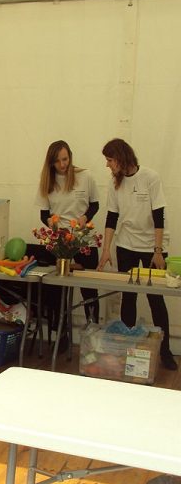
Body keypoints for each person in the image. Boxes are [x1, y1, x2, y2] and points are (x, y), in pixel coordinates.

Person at [97, 138, 176, 371]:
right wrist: (106, 250)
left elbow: (159, 216)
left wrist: (158, 251)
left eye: (109, 160)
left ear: (121, 158)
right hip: (127, 244)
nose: (107, 165)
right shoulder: (114, 183)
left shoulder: (150, 177)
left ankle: (166, 351)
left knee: (155, 298)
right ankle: (127, 349)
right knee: (129, 295)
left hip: (153, 245)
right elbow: (112, 217)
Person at [34, 140, 101, 328]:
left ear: (70, 156)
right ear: (51, 163)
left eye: (65, 159)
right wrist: (51, 223)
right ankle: (61, 332)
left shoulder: (86, 176)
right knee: (57, 289)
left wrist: (85, 217)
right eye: (57, 161)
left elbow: (95, 204)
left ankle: (93, 329)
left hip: (83, 240)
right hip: (60, 243)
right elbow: (44, 214)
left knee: (89, 289)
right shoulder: (47, 182)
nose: (62, 164)